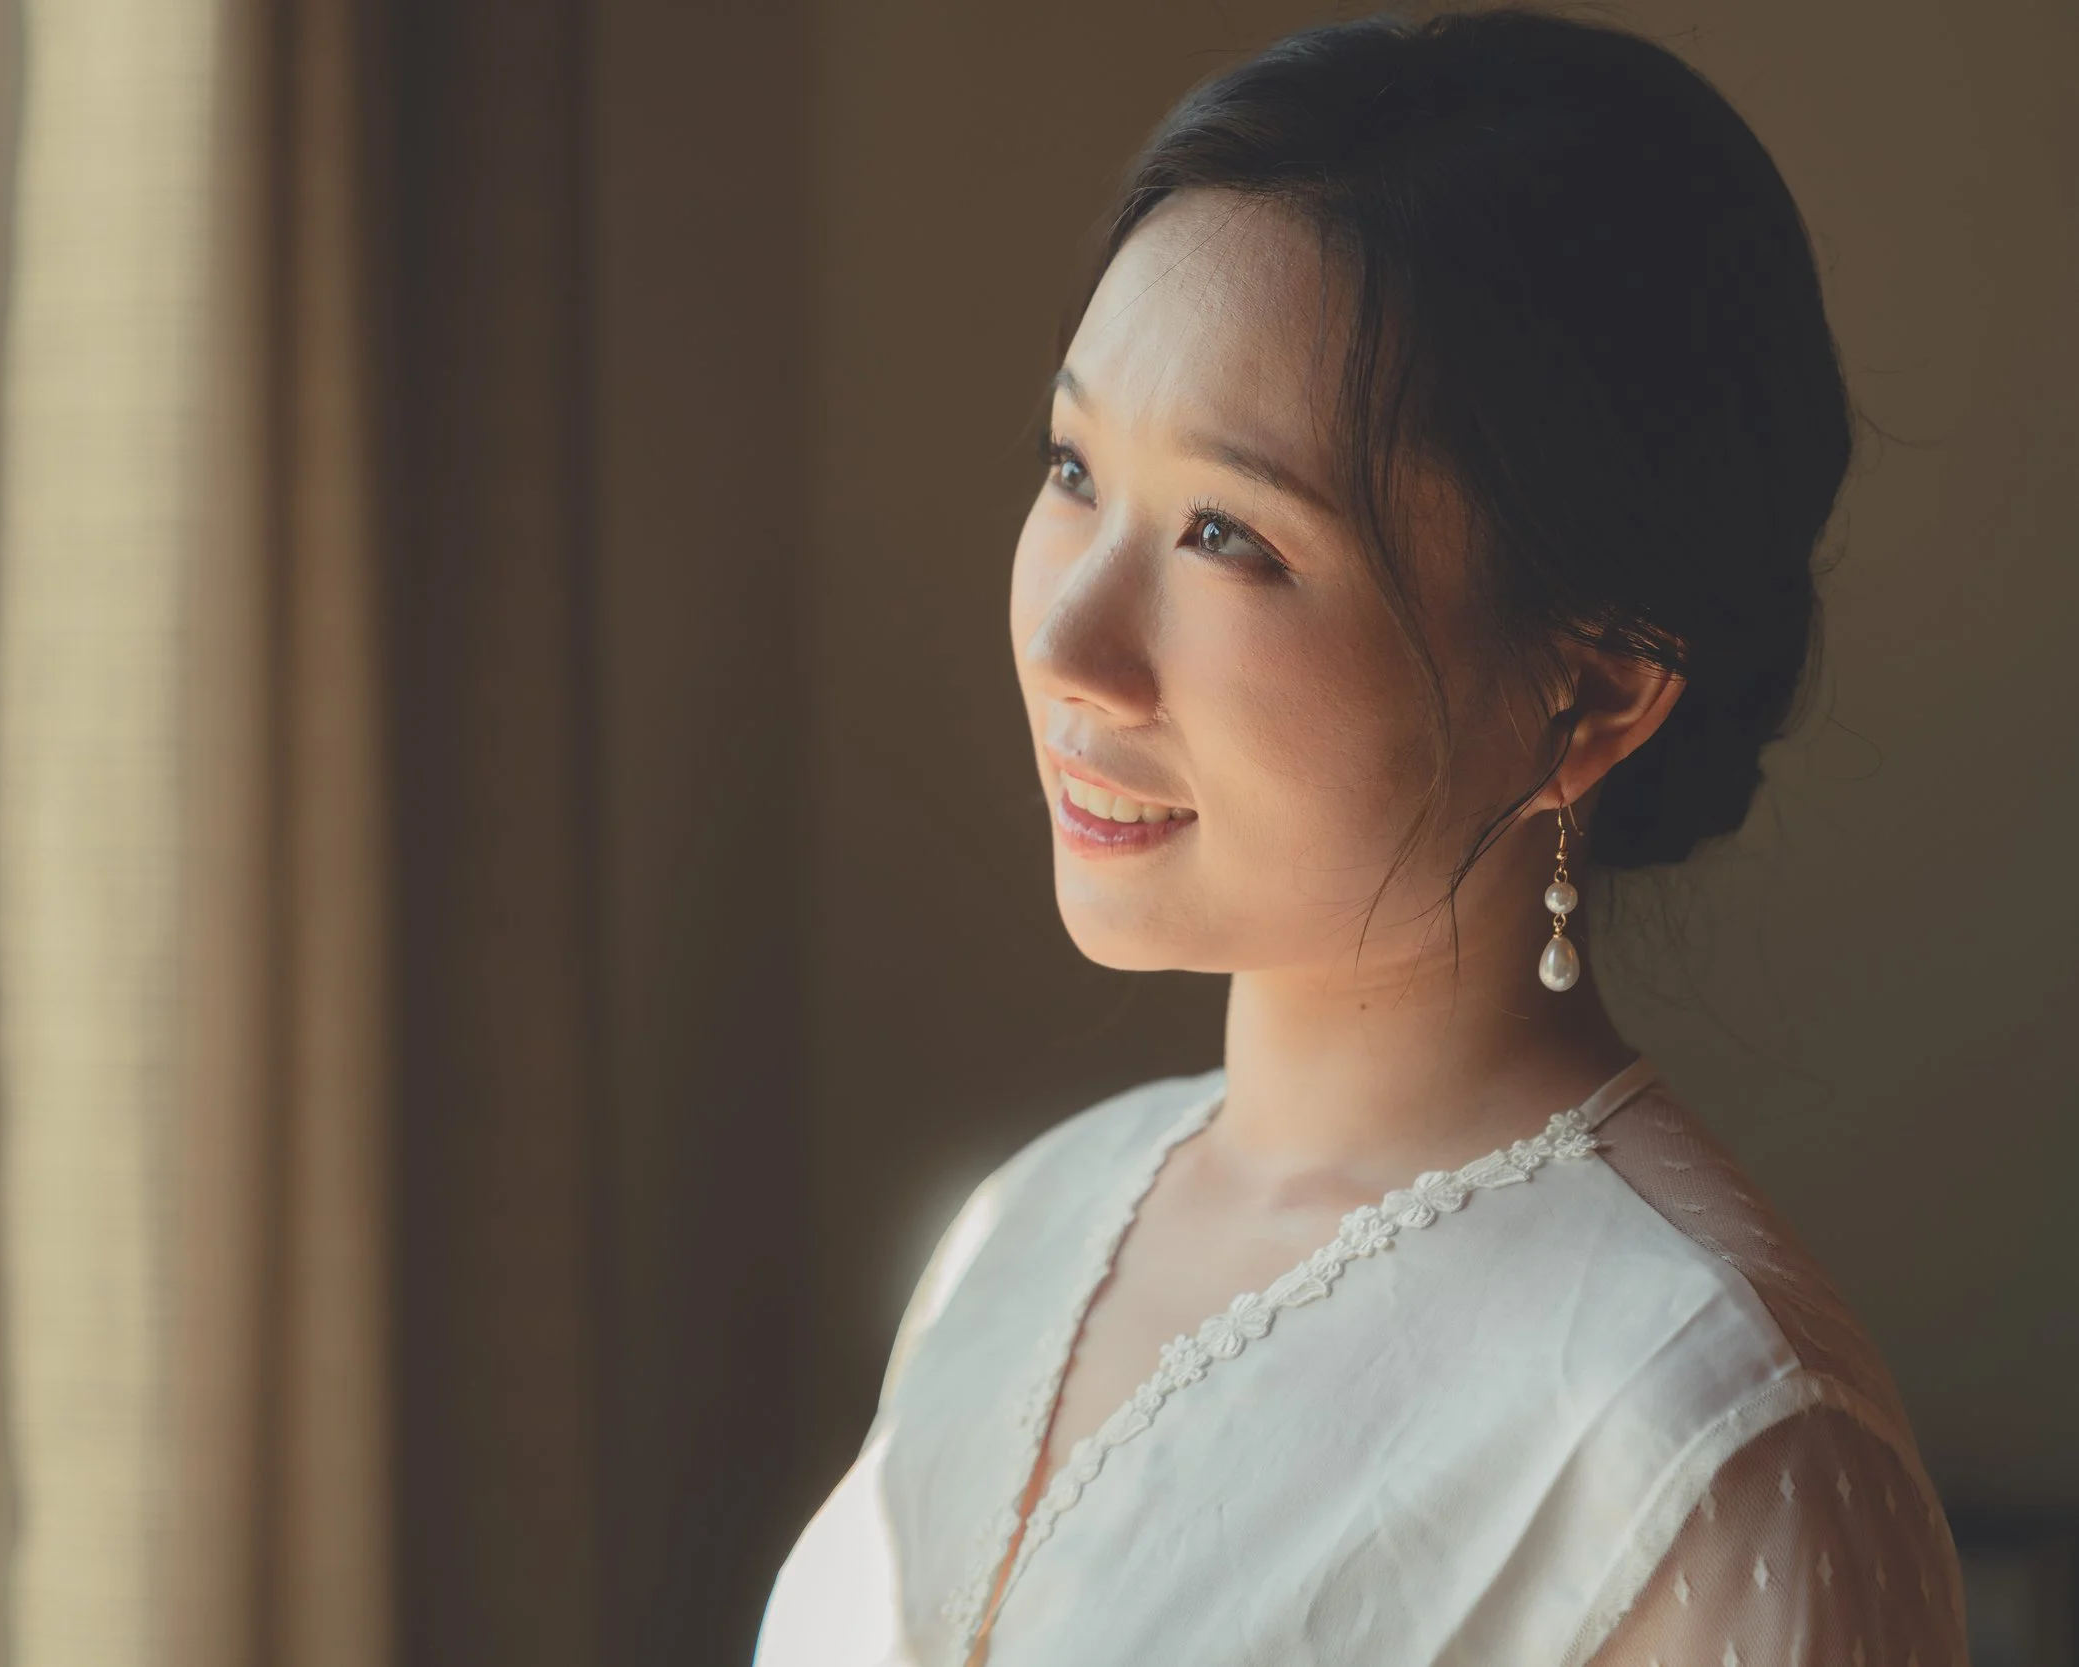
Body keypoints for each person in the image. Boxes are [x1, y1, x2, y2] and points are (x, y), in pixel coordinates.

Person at [750, 10, 1969, 1666]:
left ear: (1587, 698)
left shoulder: (1714, 1445)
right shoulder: (1031, 1222)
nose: (1069, 642)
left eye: (1226, 533)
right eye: (1071, 466)